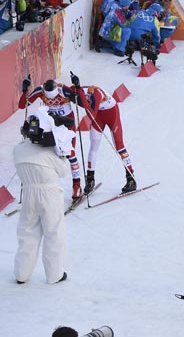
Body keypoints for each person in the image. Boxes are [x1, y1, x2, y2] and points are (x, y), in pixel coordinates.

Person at [14, 106, 74, 285]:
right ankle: (54, 274)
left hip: (28, 193)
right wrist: (61, 153)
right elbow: (63, 171)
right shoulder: (48, 153)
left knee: (26, 232)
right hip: (49, 193)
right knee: (53, 233)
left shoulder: (18, 150)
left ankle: (21, 274)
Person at [69, 73, 136, 194]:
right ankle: (90, 180)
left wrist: (83, 101)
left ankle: (131, 179)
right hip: (98, 115)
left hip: (111, 113)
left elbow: (91, 115)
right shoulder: (77, 93)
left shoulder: (95, 93)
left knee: (119, 146)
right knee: (94, 145)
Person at [19, 78, 83, 198]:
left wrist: (77, 87)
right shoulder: (40, 91)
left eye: (54, 97)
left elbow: (80, 101)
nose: (52, 100)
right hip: (52, 125)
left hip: (67, 123)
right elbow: (23, 105)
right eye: (49, 98)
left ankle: (76, 186)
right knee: (48, 155)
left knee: (70, 153)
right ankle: (48, 188)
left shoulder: (63, 89)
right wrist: (24, 90)